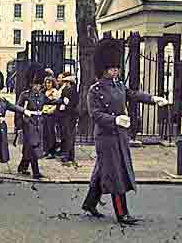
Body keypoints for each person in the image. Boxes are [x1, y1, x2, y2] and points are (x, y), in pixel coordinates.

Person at [82, 38, 169, 224]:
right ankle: (122, 213)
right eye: (112, 68)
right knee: (115, 173)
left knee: (103, 171)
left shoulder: (119, 85)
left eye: (116, 67)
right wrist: (115, 120)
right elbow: (95, 114)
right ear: (103, 69)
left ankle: (90, 203)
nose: (115, 70)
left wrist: (153, 99)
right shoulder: (94, 90)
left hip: (120, 136)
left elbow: (134, 95)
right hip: (106, 137)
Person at [56, 71, 79, 163]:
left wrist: (67, 104)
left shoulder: (73, 91)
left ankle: (68, 154)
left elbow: (74, 103)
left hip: (70, 115)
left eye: (67, 82)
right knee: (66, 134)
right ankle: (68, 154)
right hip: (64, 114)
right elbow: (62, 99)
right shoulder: (66, 90)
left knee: (69, 135)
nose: (65, 84)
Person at [42, 75, 60, 159]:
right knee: (45, 132)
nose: (48, 84)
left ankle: (52, 151)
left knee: (51, 133)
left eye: (49, 83)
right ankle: (46, 150)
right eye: (46, 83)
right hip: (44, 113)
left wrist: (51, 110)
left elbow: (56, 103)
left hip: (51, 114)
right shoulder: (44, 92)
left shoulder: (55, 92)